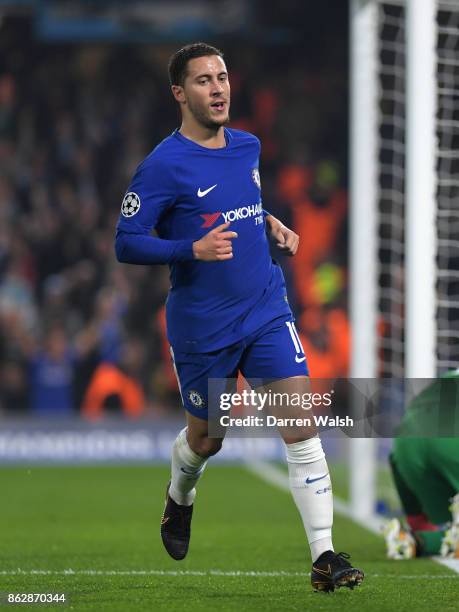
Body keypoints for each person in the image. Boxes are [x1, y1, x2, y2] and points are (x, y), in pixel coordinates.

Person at [115, 42, 363, 592]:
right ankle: (179, 497)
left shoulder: (247, 145)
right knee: (207, 440)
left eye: (222, 77)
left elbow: (232, 200)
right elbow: (126, 243)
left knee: (301, 424)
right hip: (203, 325)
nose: (219, 88)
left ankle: (324, 557)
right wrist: (190, 250)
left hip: (266, 308)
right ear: (180, 93)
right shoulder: (162, 166)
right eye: (204, 80)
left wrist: (267, 222)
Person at [384, 372, 459, 559]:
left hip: (406, 445)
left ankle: (413, 541)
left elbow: (393, 459)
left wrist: (415, 518)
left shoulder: (448, 377)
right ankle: (448, 538)